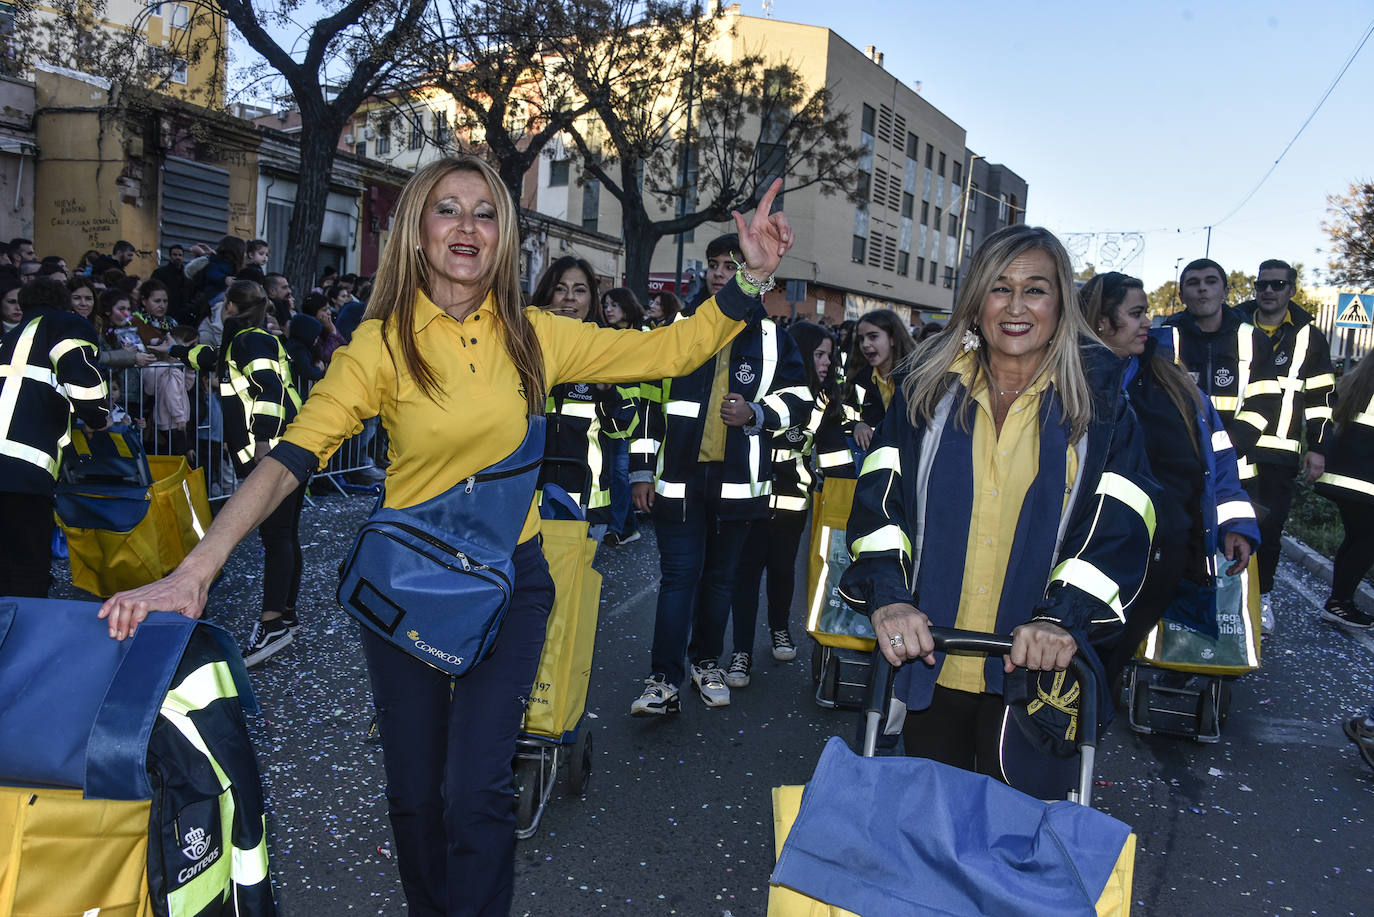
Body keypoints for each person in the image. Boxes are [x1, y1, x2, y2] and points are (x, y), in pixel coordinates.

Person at [99, 155, 793, 916]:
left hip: (510, 583)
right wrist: (197, 568)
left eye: (486, 212)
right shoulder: (382, 345)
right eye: (447, 209)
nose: (468, 226)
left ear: (503, 235)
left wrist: (749, 281)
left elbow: (673, 349)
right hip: (409, 589)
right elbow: (293, 453)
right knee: (416, 795)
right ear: (416, 232)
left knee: (475, 791)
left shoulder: (535, 336)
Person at [839, 225, 1156, 797]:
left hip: (1039, 678)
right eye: (999, 288)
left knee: (1017, 854)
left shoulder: (1102, 406)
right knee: (935, 842)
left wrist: (1064, 618)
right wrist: (889, 598)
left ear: (1060, 306)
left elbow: (1120, 530)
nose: (1015, 307)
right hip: (930, 662)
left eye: (1035, 290)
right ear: (976, 301)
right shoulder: (922, 394)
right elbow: (879, 506)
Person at [629, 231, 811, 714]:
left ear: (757, 278)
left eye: (731, 266)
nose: (718, 273)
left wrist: (757, 413)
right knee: (678, 579)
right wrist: (641, 471)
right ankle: (661, 679)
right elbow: (648, 405)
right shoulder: (678, 327)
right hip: (679, 483)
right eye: (713, 264)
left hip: (741, 487)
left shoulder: (775, 338)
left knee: (720, 583)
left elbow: (801, 402)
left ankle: (705, 662)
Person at [1078, 272, 1259, 684]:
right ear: (1102, 320)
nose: (1149, 323)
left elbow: (1218, 460)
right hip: (1087, 552)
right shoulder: (1068, 381)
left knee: (1102, 670)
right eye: (1137, 313)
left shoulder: (1175, 384)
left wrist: (1236, 524)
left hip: (1164, 556)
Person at [1162, 259, 1281, 630]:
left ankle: (1239, 618)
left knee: (1237, 547)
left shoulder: (1252, 338)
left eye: (1211, 282)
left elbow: (1265, 404)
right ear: (1181, 293)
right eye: (1193, 283)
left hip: (1238, 471)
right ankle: (1172, 628)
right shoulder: (1165, 336)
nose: (1202, 289)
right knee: (1178, 553)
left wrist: (1225, 448)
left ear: (1226, 291)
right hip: (1177, 469)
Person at [1232, 259, 1335, 628]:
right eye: (1262, 285)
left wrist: (1319, 447)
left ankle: (1262, 599)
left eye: (1278, 284)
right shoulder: (1236, 326)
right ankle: (1220, 597)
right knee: (1220, 524)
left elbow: (1322, 397)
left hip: (1279, 452)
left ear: (1292, 290)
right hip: (1235, 446)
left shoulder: (1310, 336)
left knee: (1268, 532)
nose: (1269, 291)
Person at [729, 320, 836, 673]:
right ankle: (740, 652)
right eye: (819, 354)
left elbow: (833, 445)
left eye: (829, 355)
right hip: (753, 496)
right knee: (746, 574)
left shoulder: (823, 400)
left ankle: (779, 631)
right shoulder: (769, 391)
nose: (826, 362)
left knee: (781, 571)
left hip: (793, 501)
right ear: (803, 352)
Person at [0, 277, 110, 596]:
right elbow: (81, 377)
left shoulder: (9, 338)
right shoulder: (69, 325)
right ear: (64, 302)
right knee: (28, 563)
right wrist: (97, 416)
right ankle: (25, 637)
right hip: (26, 469)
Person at [1312, 353, 1374, 627]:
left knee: (1356, 538)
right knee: (1367, 541)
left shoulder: (1360, 380)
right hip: (1364, 479)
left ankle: (1340, 601)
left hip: (1344, 475)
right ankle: (1338, 603)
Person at [847, 309, 916, 450]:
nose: (865, 344)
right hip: (877, 463)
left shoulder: (917, 377)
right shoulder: (859, 380)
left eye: (873, 337)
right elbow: (843, 413)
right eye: (861, 339)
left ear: (893, 339)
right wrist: (856, 425)